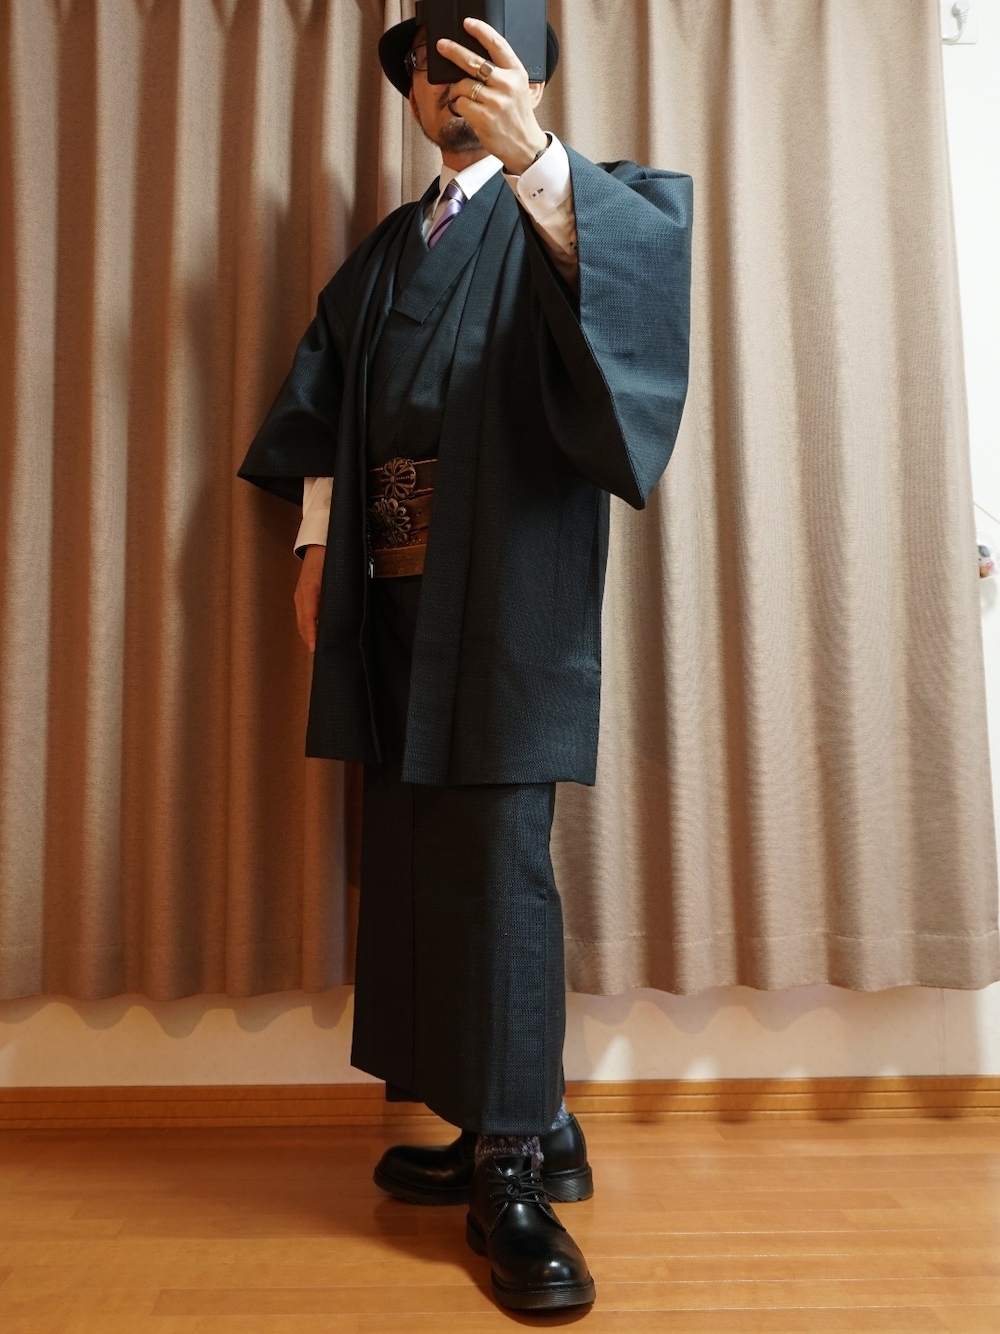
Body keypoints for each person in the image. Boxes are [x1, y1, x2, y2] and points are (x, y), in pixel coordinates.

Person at [238, 4, 691, 1313]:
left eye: (478, 60)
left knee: (495, 862)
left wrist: (541, 162)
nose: (448, 85)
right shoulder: (390, 249)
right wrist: (317, 548)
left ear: (531, 75)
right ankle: (516, 1119)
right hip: (388, 593)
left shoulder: (589, 202)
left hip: (508, 585)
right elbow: (331, 405)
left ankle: (515, 1174)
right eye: (429, 67)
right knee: (416, 851)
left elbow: (633, 323)